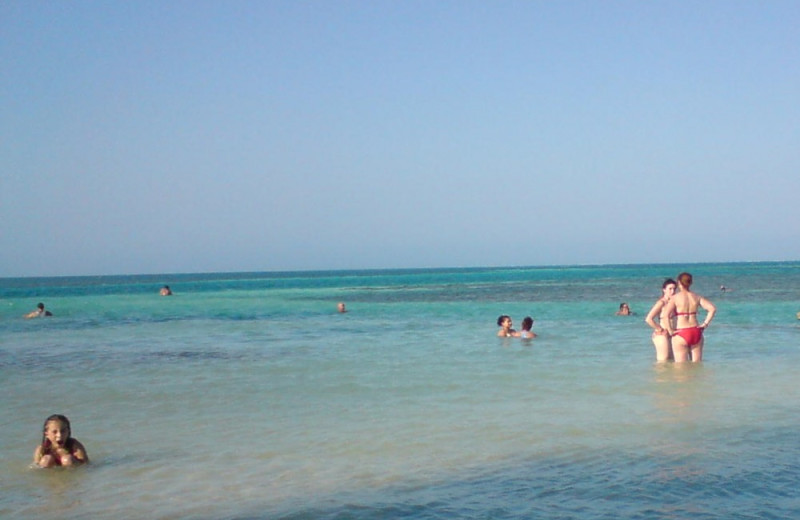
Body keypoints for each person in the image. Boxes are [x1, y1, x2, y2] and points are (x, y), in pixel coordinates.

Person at [664, 272, 716, 362]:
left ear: (679, 283)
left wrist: (670, 331)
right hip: (696, 331)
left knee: (681, 368)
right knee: (697, 365)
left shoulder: (675, 298)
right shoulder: (696, 297)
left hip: (681, 332)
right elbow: (712, 309)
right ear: (690, 283)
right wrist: (705, 324)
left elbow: (666, 315)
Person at [644, 278, 677, 362]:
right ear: (664, 290)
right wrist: (660, 329)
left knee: (673, 360)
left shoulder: (675, 302)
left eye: (674, 289)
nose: (672, 291)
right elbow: (649, 319)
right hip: (662, 334)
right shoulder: (661, 302)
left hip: (673, 334)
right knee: (663, 361)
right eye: (670, 289)